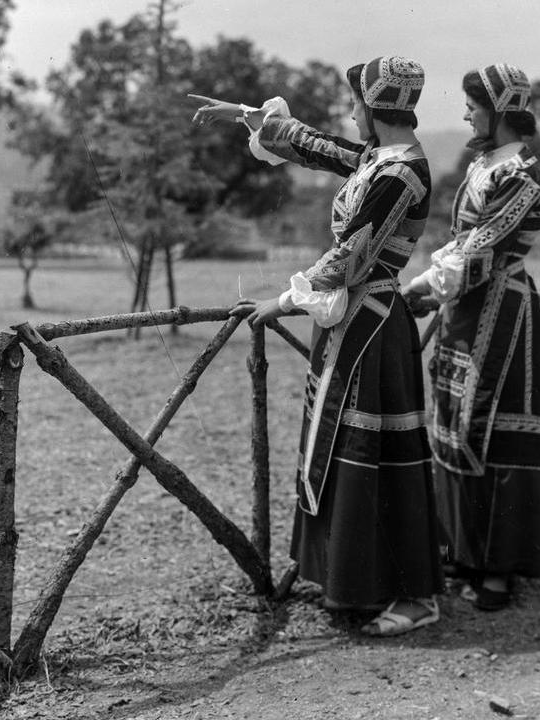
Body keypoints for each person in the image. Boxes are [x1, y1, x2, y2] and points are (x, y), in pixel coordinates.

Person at [190, 56, 443, 636]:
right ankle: (353, 583)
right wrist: (251, 117)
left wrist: (281, 300)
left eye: (356, 103)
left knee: (376, 448)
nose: (350, 113)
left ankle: (413, 595)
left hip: (373, 321)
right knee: (345, 444)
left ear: (375, 107)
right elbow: (317, 146)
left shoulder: (400, 174)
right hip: (353, 321)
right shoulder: (380, 159)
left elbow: (352, 255)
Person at [402, 63, 540, 612]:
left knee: (492, 425)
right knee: (453, 422)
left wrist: (423, 286)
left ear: (500, 111)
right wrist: (429, 285)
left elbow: (481, 248)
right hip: (467, 305)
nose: (465, 113)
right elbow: (461, 242)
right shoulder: (487, 164)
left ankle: (499, 566)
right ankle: (463, 549)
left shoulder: (522, 176)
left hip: (500, 312)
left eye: (473, 105)